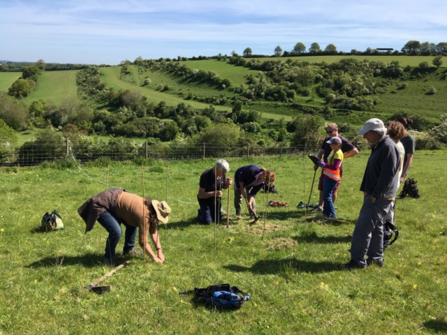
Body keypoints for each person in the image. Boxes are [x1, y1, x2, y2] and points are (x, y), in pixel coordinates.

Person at [342, 118, 400, 270]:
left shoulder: (387, 147)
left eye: (366, 134)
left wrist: (375, 194)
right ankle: (376, 259)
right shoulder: (380, 145)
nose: (364, 137)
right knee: (377, 227)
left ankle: (357, 261)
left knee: (363, 227)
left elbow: (387, 175)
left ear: (376, 132)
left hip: (379, 196)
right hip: (378, 195)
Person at [78, 189, 171, 266]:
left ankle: (128, 249)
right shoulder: (144, 215)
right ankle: (108, 257)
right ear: (156, 213)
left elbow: (153, 232)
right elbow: (143, 242)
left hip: (115, 203)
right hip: (102, 204)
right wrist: (154, 258)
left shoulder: (151, 211)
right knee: (116, 232)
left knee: (133, 222)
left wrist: (159, 251)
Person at [312, 123, 358, 212]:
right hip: (325, 167)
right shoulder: (327, 139)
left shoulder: (341, 140)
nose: (328, 133)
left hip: (335, 169)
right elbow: (321, 151)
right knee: (322, 187)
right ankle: (320, 207)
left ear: (336, 130)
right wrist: (317, 163)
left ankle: (329, 209)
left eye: (330, 131)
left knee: (332, 189)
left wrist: (342, 157)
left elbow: (355, 151)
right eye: (327, 131)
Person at [197, 159, 232, 225]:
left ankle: (209, 212)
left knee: (217, 221)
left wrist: (227, 184)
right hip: (205, 200)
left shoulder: (222, 175)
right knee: (207, 222)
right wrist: (214, 193)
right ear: (216, 169)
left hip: (216, 201)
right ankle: (201, 212)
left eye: (224, 173)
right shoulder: (205, 176)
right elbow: (201, 195)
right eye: (222, 173)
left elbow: (223, 186)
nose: (223, 175)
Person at [317, 137, 344, 220]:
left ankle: (332, 215)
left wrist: (324, 165)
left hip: (333, 178)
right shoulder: (333, 151)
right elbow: (329, 162)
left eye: (331, 144)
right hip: (327, 176)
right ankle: (326, 213)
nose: (330, 145)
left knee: (327, 197)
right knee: (325, 196)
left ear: (337, 144)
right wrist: (323, 163)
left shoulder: (338, 153)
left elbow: (335, 167)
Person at [386, 121, 407, 224]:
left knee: (388, 206)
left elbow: (397, 167)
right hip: (394, 179)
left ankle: (387, 229)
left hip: (391, 180)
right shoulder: (399, 144)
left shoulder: (395, 146)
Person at [396, 117, 415, 184]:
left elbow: (409, 158)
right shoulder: (394, 137)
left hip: (400, 170)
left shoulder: (409, 139)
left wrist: (402, 175)